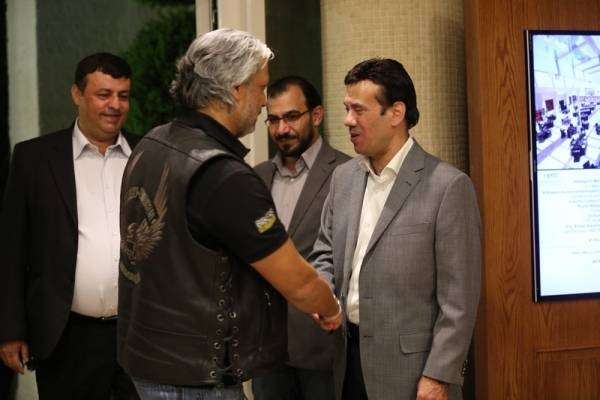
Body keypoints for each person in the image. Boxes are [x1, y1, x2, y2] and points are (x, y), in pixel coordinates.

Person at [118, 28, 342, 400]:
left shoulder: (150, 144)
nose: (264, 103)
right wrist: (331, 308)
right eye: (261, 87)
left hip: (148, 362)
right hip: (195, 377)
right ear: (236, 89)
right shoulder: (224, 175)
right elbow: (299, 283)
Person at [311, 58, 481, 400]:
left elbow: (459, 300)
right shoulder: (343, 178)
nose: (347, 120)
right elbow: (324, 252)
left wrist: (438, 375)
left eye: (358, 110)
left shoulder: (447, 187)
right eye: (347, 109)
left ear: (396, 113)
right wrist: (323, 293)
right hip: (347, 362)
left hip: (415, 374)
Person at [0, 53, 139, 399]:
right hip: (66, 338)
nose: (115, 105)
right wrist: (11, 330)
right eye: (103, 94)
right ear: (77, 94)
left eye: (123, 95)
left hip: (139, 335)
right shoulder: (34, 159)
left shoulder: (147, 153)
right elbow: (12, 250)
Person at [252, 76, 350, 400]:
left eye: (292, 117)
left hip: (323, 346)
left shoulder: (347, 173)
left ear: (316, 115)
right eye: (274, 119)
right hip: (267, 351)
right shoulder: (255, 178)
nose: (282, 129)